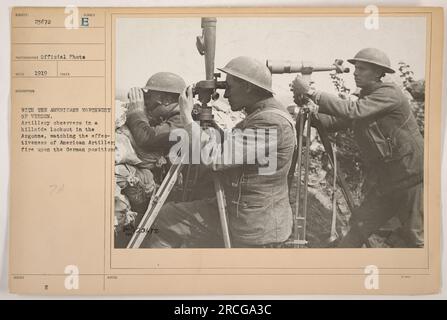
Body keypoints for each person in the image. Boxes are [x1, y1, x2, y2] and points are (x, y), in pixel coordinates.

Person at [141, 56, 297, 248]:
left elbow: (216, 157)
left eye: (230, 87)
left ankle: (158, 273)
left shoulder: (270, 121)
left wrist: (187, 118)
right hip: (244, 208)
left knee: (166, 217)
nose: (227, 94)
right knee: (170, 215)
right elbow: (240, 148)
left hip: (252, 223)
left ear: (248, 87)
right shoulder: (265, 113)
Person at [291, 47, 424, 248]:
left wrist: (311, 92)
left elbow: (354, 112)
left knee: (414, 237)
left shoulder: (389, 93)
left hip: (410, 178)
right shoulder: (368, 98)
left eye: (362, 69)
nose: (355, 72)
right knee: (360, 227)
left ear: (379, 73)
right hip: (386, 181)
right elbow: (336, 121)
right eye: (356, 68)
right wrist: (310, 108)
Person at [125, 72, 186, 154]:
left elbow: (147, 139)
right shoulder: (171, 117)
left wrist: (136, 112)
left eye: (149, 96)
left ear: (167, 100)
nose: (146, 101)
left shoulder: (182, 122)